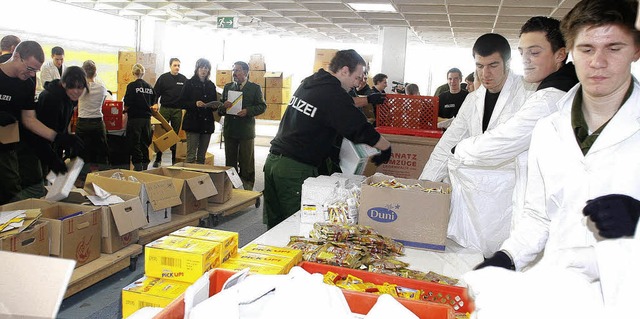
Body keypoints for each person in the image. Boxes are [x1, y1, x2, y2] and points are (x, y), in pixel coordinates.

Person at [475, 0, 640, 280]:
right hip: (560, 289)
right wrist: (508, 257)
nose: (598, 62)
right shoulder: (548, 129)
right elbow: (539, 217)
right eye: (587, 49)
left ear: (636, 50)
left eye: (614, 48)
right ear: (572, 51)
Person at [448, 17, 577, 256]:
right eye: (523, 52)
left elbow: (503, 140)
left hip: (547, 219)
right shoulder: (551, 91)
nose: (526, 59)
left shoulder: (550, 98)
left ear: (561, 55)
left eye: (535, 52)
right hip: (534, 214)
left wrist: (460, 150)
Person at [419, 33, 535, 256]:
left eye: (493, 65)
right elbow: (449, 142)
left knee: (502, 260)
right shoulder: (473, 99)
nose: (485, 73)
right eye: (479, 66)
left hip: (507, 195)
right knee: (467, 256)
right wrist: (424, 187)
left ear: (508, 63)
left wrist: (463, 152)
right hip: (473, 196)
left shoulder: (526, 95)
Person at [264, 49, 392, 229]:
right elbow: (358, 127)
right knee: (295, 224)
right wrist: (386, 147)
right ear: (344, 71)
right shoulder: (332, 93)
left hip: (274, 162)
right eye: (357, 77)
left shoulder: (312, 82)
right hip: (295, 168)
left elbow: (342, 105)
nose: (357, 84)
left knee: (275, 224)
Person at [18, 66, 87, 198]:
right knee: (36, 189)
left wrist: (67, 143)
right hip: (31, 148)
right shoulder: (51, 99)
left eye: (80, 87)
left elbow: (59, 130)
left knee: (48, 188)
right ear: (64, 83)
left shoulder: (68, 98)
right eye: (72, 87)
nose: (76, 91)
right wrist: (53, 160)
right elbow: (39, 136)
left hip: (46, 147)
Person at [218, 61, 266, 190]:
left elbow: (262, 106)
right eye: (234, 70)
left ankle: (248, 188)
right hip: (230, 129)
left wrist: (248, 111)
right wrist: (223, 106)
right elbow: (220, 109)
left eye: (237, 70)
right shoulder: (228, 87)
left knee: (247, 161)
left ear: (245, 72)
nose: (234, 73)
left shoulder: (255, 88)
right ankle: (230, 188)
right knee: (230, 161)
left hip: (246, 131)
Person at [179, 58, 220, 164]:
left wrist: (214, 106)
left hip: (207, 123)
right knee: (191, 156)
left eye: (206, 68)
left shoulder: (211, 85)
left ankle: (200, 180)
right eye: (201, 67)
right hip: (193, 122)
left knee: (202, 157)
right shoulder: (189, 83)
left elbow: (214, 103)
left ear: (209, 70)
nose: (204, 70)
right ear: (197, 69)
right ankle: (188, 178)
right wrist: (194, 104)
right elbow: (181, 102)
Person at [76, 60, 109, 182]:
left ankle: (83, 178)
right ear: (95, 73)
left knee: (82, 152)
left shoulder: (79, 88)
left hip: (83, 123)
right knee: (101, 151)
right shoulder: (102, 88)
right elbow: (104, 101)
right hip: (97, 123)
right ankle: (104, 177)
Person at [152, 58, 187, 167]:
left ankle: (173, 160)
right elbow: (155, 92)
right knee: (162, 134)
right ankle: (158, 159)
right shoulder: (163, 78)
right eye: (175, 65)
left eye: (178, 65)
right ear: (170, 66)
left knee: (174, 135)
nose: (177, 67)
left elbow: (188, 94)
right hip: (165, 109)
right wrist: (155, 103)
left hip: (177, 110)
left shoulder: (183, 79)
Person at [123, 63, 157, 171]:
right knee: (144, 143)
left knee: (135, 143)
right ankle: (145, 166)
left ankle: (137, 167)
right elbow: (153, 103)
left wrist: (124, 110)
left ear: (133, 73)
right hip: (147, 120)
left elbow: (127, 103)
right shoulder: (150, 87)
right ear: (143, 73)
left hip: (135, 119)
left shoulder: (131, 86)